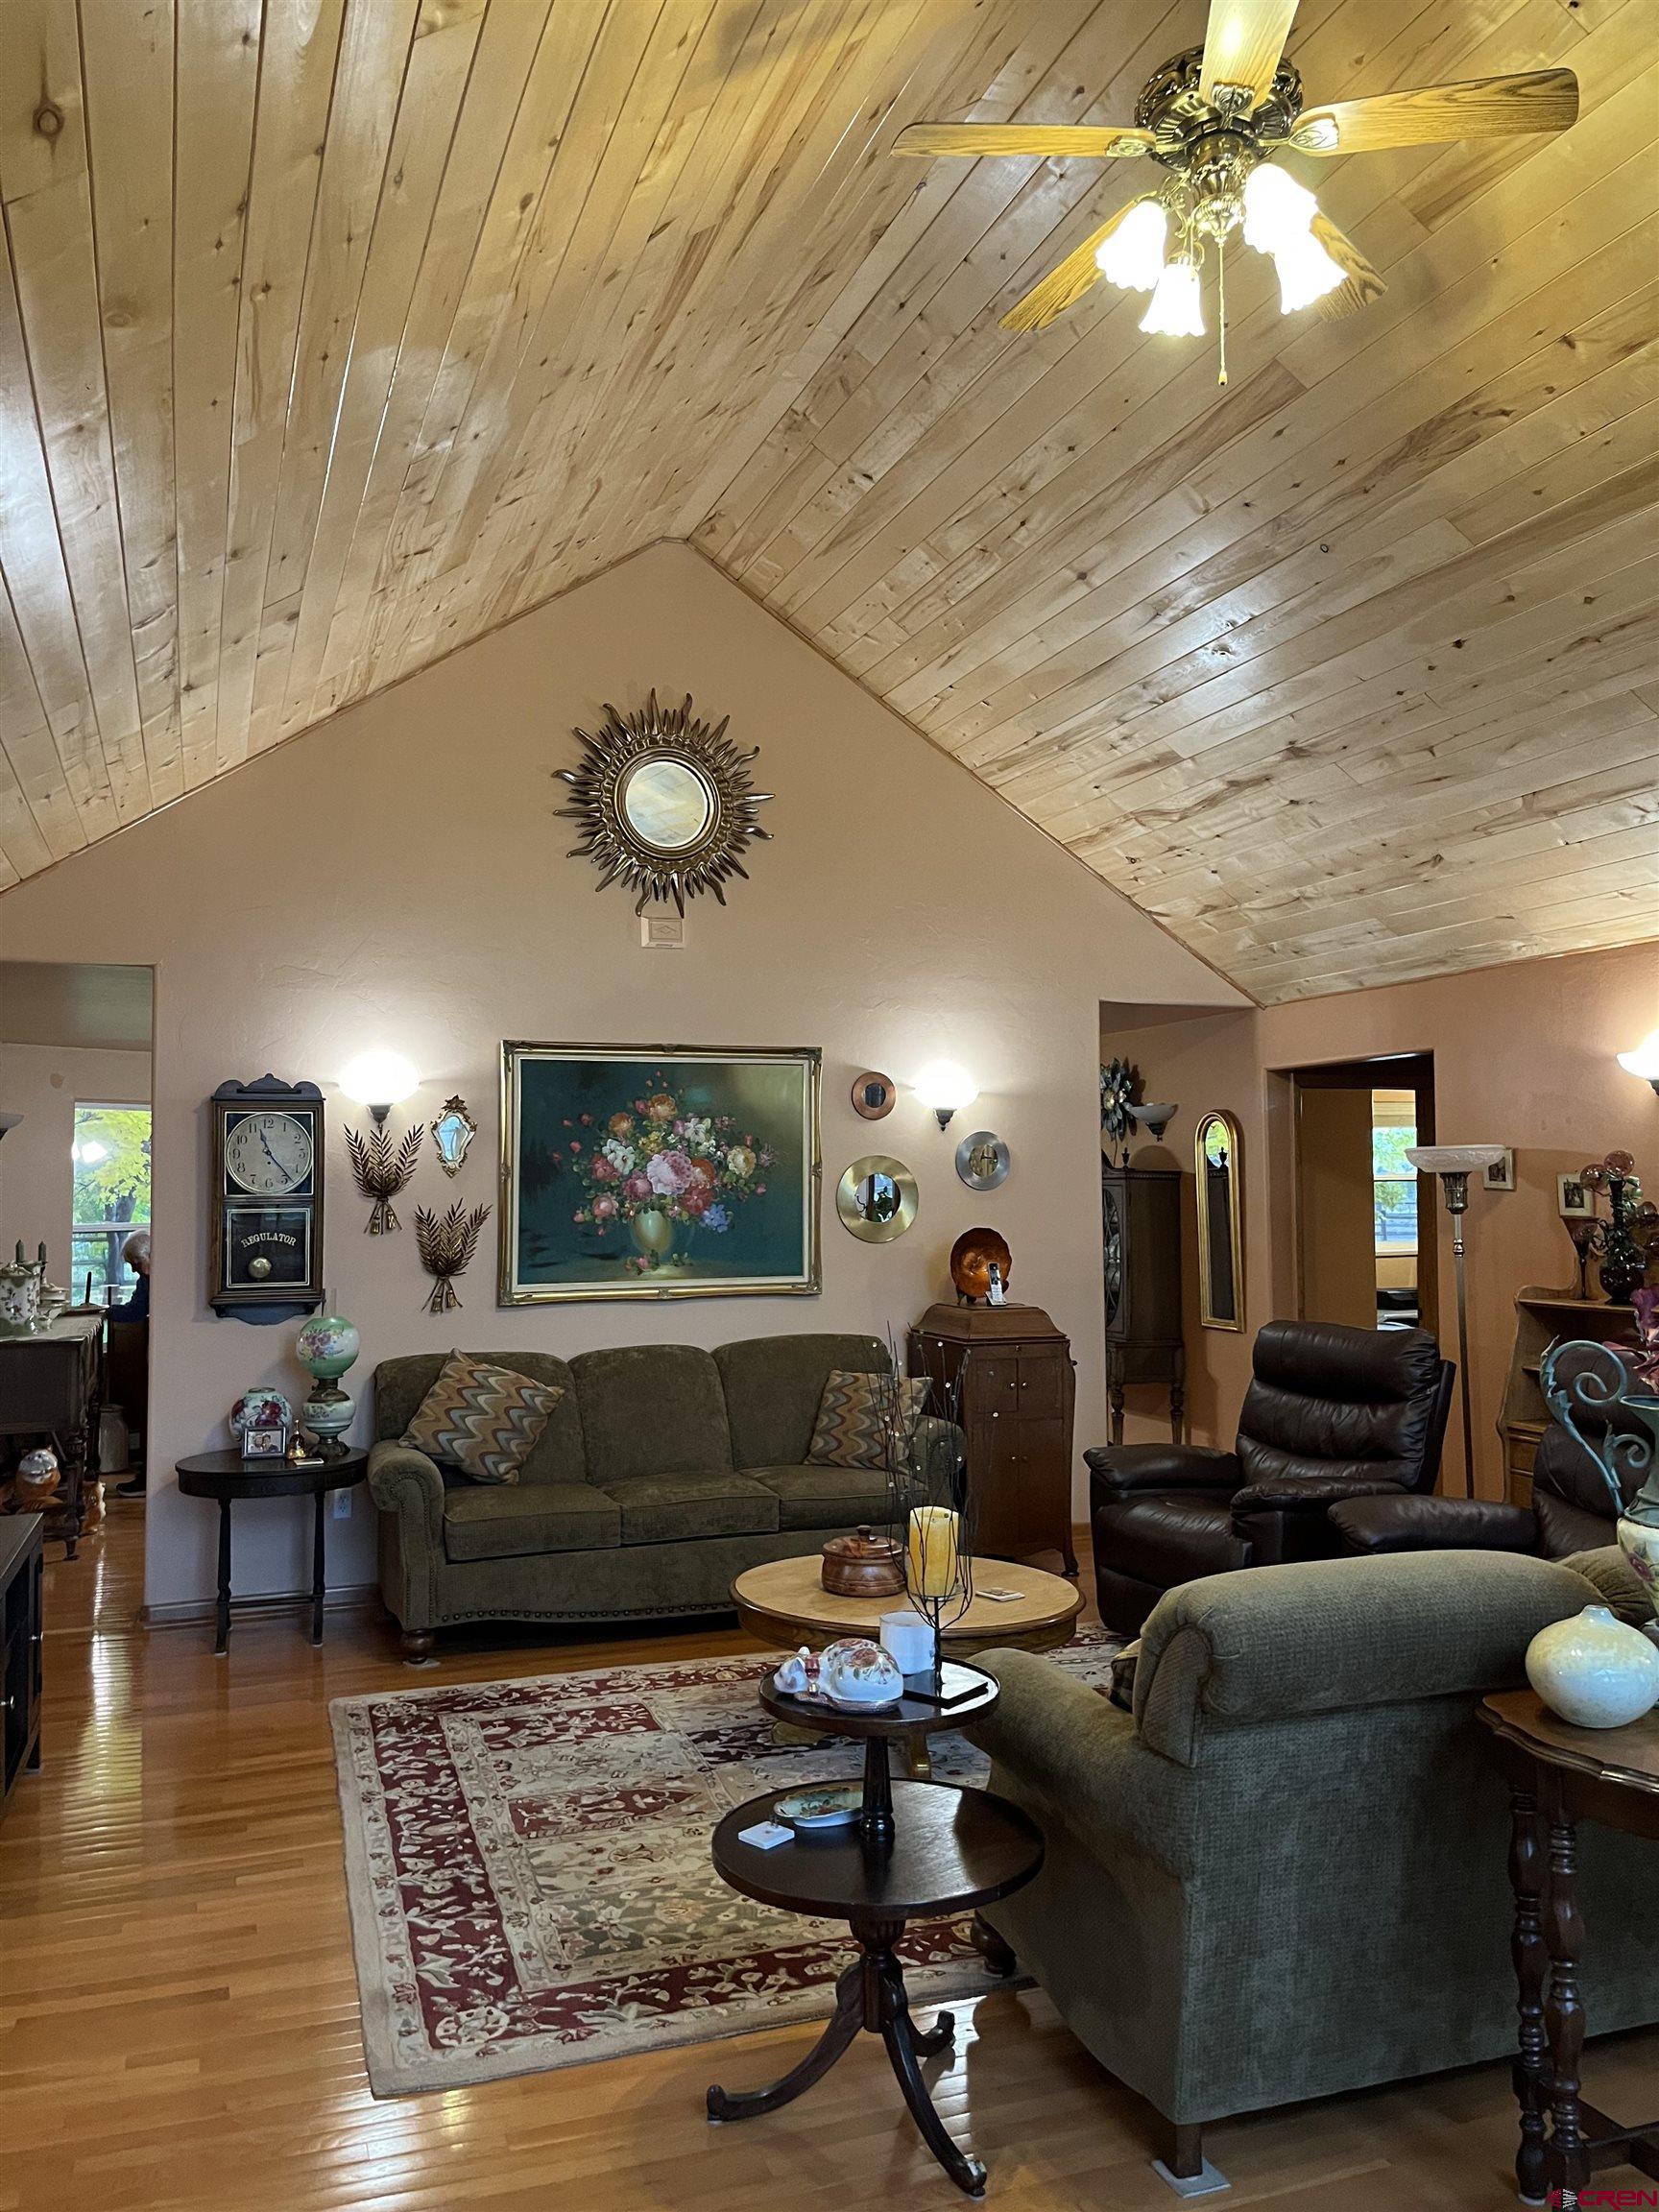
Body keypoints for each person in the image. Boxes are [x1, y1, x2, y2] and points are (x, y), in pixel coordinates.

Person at [111, 1231, 150, 1497]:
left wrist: (105, 1311)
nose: (134, 1269)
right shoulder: (146, 1280)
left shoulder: (153, 1280)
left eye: (135, 1263)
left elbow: (135, 1311)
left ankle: (145, 1477)